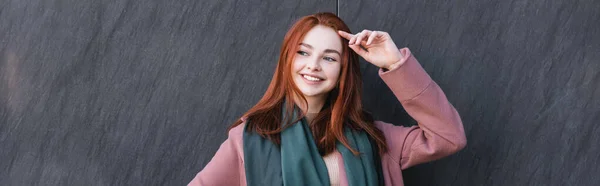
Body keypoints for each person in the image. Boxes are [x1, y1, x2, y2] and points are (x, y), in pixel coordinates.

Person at [188, 12, 466, 186]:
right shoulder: (249, 138)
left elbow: (449, 136)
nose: (314, 65)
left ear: (343, 69)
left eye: (329, 57)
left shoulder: (375, 139)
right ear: (287, 59)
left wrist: (394, 63)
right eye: (303, 52)